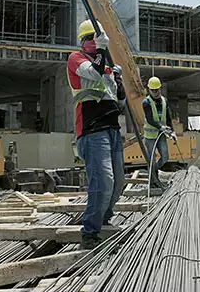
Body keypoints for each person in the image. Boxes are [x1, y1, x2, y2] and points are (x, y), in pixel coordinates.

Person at [66, 20, 126, 250]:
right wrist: (102, 51)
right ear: (83, 41)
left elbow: (118, 101)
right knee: (103, 181)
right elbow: (92, 72)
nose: (94, 41)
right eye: (91, 37)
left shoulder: (107, 67)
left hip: (112, 128)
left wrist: (118, 82)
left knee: (118, 181)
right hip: (91, 130)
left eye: (97, 37)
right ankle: (90, 232)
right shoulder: (76, 58)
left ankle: (103, 218)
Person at [141, 76, 175, 188]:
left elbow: (168, 118)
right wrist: (161, 127)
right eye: (153, 90)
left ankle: (153, 172)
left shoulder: (164, 101)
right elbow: (150, 119)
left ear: (160, 89)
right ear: (149, 90)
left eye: (157, 90)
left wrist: (172, 132)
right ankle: (153, 182)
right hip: (150, 136)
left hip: (161, 134)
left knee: (165, 157)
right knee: (151, 159)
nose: (155, 92)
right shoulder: (146, 102)